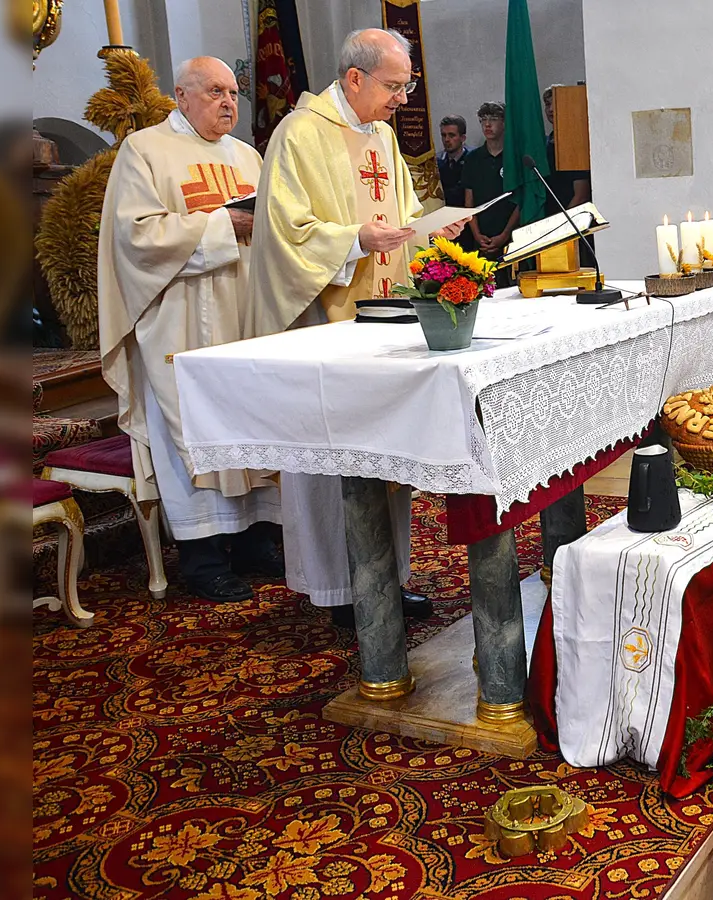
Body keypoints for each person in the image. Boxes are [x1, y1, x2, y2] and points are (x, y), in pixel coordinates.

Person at [245, 28, 466, 625]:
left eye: (407, 84)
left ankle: (388, 579)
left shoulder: (383, 136)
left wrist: (429, 228)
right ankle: (341, 589)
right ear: (354, 78)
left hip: (386, 310)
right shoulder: (300, 134)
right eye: (395, 86)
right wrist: (353, 240)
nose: (402, 97)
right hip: (329, 316)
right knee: (335, 448)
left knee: (384, 446)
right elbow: (284, 230)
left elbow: (401, 213)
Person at [97, 57, 283, 603]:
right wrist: (229, 224)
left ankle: (254, 542)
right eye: (214, 92)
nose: (228, 102)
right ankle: (202, 557)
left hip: (245, 314)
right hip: (182, 318)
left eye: (233, 93)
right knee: (194, 433)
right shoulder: (145, 151)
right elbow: (137, 235)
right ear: (181, 94)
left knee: (249, 425)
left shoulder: (247, 155)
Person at [462, 101, 519, 269]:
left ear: (504, 123)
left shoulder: (514, 158)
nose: (487, 124)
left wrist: (504, 235)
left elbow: (521, 201)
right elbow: (468, 203)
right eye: (483, 119)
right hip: (480, 236)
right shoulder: (473, 158)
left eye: (493, 119)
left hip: (510, 235)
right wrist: (477, 235)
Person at [542, 85, 594, 266]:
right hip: (547, 220)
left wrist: (561, 224)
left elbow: (581, 194)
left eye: (555, 103)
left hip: (573, 222)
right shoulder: (545, 142)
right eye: (547, 104)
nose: (550, 109)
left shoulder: (575, 141)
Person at [436, 114, 469, 210]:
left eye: (451, 135)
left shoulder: (471, 161)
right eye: (443, 135)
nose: (446, 139)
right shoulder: (437, 162)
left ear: (462, 138)